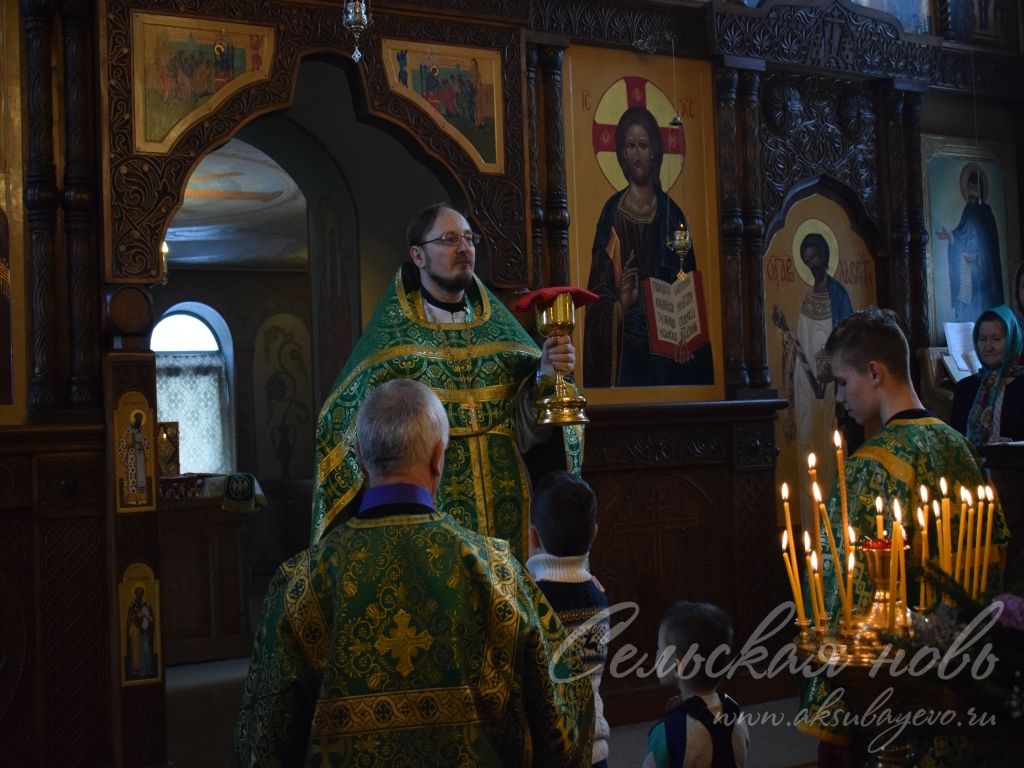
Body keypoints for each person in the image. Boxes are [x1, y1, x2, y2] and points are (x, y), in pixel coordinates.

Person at [234, 379, 594, 767]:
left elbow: (261, 742)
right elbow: (564, 722)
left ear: (359, 456)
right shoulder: (499, 571)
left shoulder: (300, 583)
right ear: (439, 457)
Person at [311, 203, 584, 560]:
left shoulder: (503, 335)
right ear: (418, 256)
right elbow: (338, 424)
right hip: (426, 515)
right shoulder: (391, 345)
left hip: (511, 511)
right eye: (449, 239)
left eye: (470, 238)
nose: (464, 248)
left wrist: (546, 376)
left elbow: (525, 431)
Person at [797, 307, 1011, 754]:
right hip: (968, 682)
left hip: (895, 692)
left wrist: (831, 706)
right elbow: (997, 560)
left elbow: (843, 598)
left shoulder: (866, 470)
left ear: (874, 372)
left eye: (841, 382)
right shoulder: (963, 449)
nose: (838, 397)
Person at [584, 105, 712, 387]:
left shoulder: (672, 214)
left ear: (654, 151)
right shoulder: (611, 214)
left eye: (643, 145)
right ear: (621, 154)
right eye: (630, 146)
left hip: (667, 350)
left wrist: (685, 337)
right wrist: (621, 305)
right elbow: (597, 294)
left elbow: (685, 282)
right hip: (626, 344)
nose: (637, 154)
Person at [526, 471, 610, 768]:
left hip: (546, 756)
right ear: (595, 532)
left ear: (533, 536)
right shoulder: (599, 597)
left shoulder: (528, 600)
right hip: (594, 752)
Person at [772, 232, 855, 526]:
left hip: (834, 391)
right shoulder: (807, 301)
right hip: (809, 390)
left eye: (815, 257)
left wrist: (830, 369)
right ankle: (810, 527)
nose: (812, 265)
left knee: (831, 456)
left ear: (826, 256)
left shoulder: (839, 296)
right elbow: (801, 349)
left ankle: (835, 527)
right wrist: (788, 340)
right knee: (808, 452)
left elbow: (846, 342)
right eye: (807, 261)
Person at [642, 601, 749, 768]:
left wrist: (675, 720)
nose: (656, 654)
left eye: (660, 648)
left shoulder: (667, 731)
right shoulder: (736, 715)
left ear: (678, 667)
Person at [936, 167, 1004, 323]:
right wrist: (951, 236)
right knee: (969, 315)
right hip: (969, 275)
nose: (971, 192)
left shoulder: (987, 214)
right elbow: (961, 234)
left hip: (984, 276)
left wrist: (979, 256)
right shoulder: (968, 210)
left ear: (980, 189)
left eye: (974, 188)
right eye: (969, 188)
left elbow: (991, 249)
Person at [950, 304, 1024, 446]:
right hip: (974, 466)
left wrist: (1013, 446)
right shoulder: (963, 389)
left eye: (996, 339)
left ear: (1012, 340)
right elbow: (955, 444)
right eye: (982, 339)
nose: (988, 347)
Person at [118, 410, 151, 506]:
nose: (140, 422)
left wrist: (142, 446)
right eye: (139, 419)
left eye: (141, 420)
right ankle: (131, 500)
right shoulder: (128, 429)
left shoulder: (140, 430)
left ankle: (141, 499)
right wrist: (128, 447)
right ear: (135, 419)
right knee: (132, 478)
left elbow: (146, 444)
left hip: (140, 457)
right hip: (131, 457)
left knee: (140, 480)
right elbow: (122, 444)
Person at [125, 585, 156, 679]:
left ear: (143, 594)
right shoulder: (132, 605)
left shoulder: (146, 605)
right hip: (134, 631)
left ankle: (147, 669)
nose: (139, 595)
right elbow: (129, 618)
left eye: (140, 593)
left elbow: (151, 618)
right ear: (135, 594)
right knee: (135, 650)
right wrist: (134, 617)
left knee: (145, 649)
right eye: (137, 593)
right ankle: (136, 669)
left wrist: (144, 625)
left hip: (144, 630)